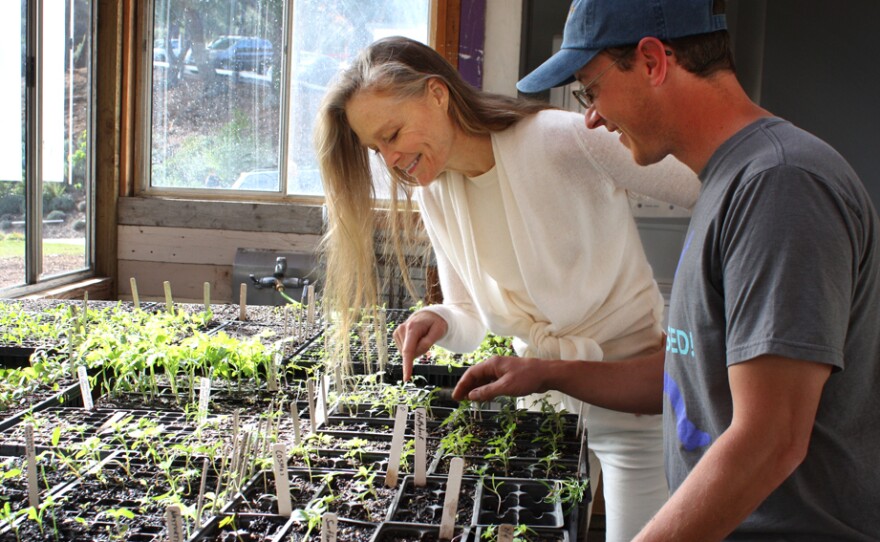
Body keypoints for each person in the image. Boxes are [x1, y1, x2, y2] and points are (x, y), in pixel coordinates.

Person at [453, 0, 880, 540]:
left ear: (654, 61)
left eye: (590, 89)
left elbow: (770, 439)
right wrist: (545, 372)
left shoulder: (782, 185)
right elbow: (691, 374)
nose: (591, 116)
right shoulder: (734, 181)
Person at [314, 36, 700, 542]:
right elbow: (469, 314)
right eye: (376, 149)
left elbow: (712, 186)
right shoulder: (436, 192)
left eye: (392, 133)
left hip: (632, 394)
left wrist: (707, 311)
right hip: (542, 403)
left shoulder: (559, 139)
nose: (390, 159)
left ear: (437, 94)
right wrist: (441, 319)